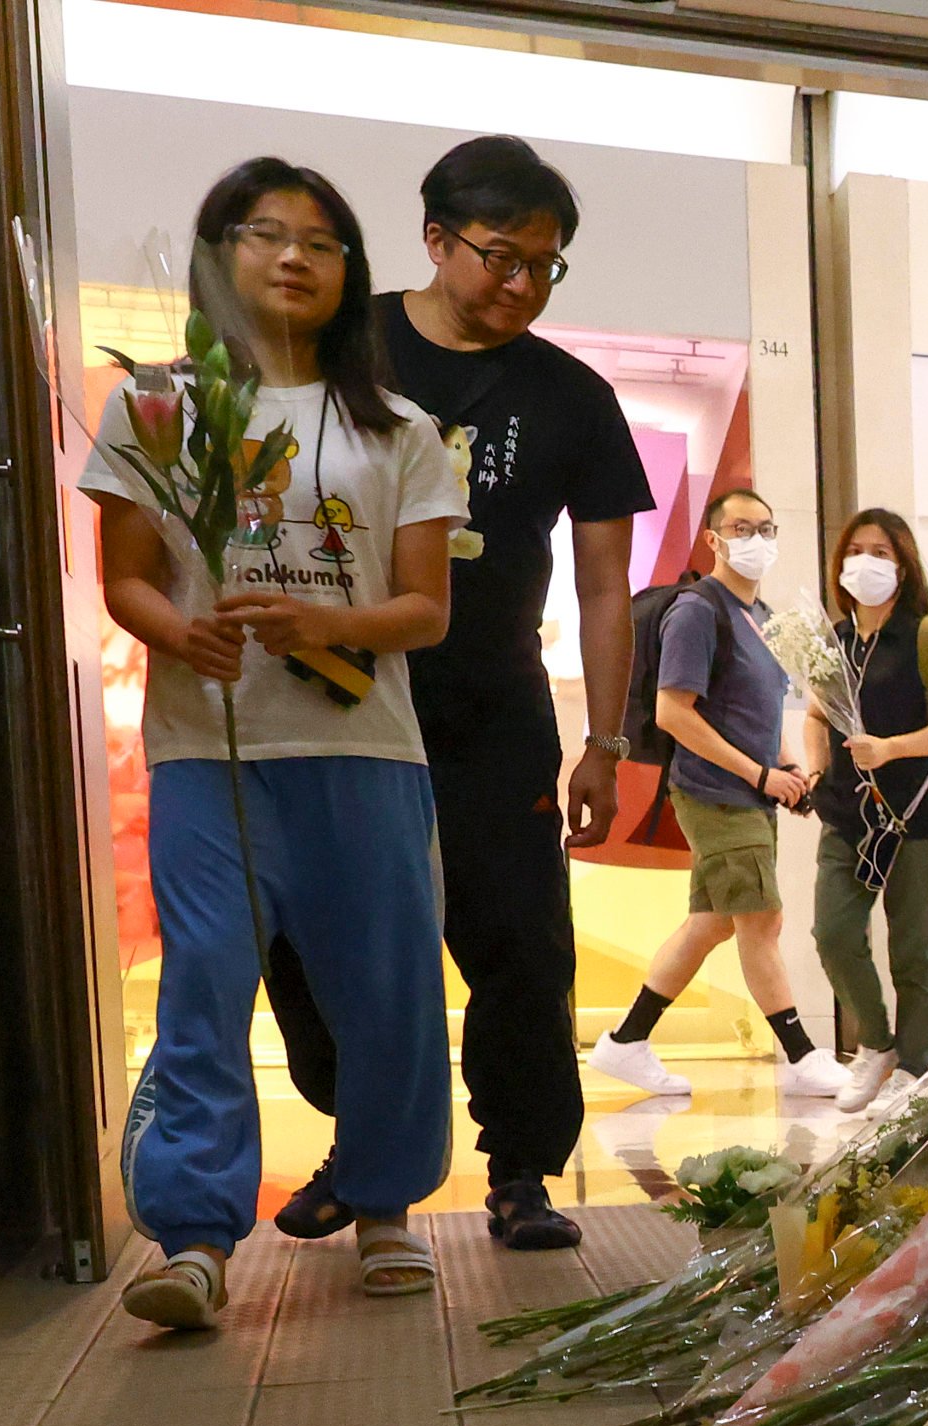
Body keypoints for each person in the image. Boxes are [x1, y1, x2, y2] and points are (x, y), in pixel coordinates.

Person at [83, 158, 463, 1329]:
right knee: (204, 984)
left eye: (323, 241)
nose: (293, 256)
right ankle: (196, 1238)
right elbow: (127, 580)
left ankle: (388, 1207)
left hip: (367, 753)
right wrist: (181, 634)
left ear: (351, 275)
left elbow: (426, 608)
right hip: (209, 753)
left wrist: (324, 623)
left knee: (388, 985)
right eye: (264, 232)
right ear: (218, 254)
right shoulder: (159, 405)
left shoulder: (396, 426)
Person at [261, 134, 655, 1254]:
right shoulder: (343, 349)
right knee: (324, 933)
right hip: (337, 695)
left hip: (494, 709)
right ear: (435, 240)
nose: (521, 284)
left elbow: (604, 587)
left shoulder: (575, 398)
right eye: (500, 257)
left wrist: (605, 743)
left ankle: (522, 1169)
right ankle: (364, 1145)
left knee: (520, 940)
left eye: (545, 265)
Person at [588, 487, 841, 1102]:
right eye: (742, 528)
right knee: (762, 919)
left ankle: (625, 1041)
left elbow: (762, 715)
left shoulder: (764, 618)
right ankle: (804, 1058)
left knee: (711, 924)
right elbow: (673, 714)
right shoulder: (699, 612)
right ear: (714, 538)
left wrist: (790, 771)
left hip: (750, 793)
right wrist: (758, 776)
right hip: (717, 794)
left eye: (766, 528)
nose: (756, 541)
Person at [810, 508, 928, 1112]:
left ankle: (915, 1068)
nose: (865, 562)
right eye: (856, 550)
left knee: (915, 949)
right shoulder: (832, 642)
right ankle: (875, 1045)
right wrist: (818, 767)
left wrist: (891, 749)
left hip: (920, 816)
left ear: (902, 565)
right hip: (847, 816)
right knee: (833, 933)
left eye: (881, 552)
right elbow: (812, 716)